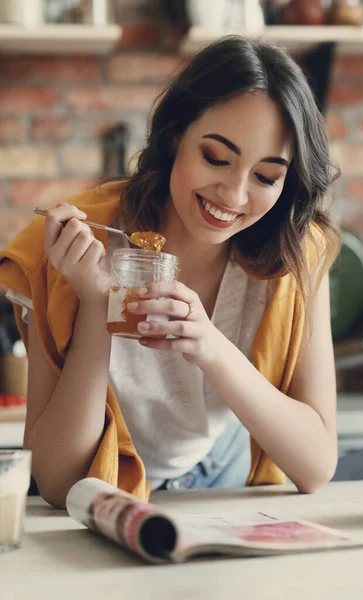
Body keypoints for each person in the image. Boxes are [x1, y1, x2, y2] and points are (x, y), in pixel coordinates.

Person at [0, 35, 340, 509]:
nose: (234, 196)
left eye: (266, 176)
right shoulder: (64, 251)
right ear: (176, 134)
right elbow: (58, 482)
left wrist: (210, 346)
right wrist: (98, 304)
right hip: (102, 496)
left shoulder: (296, 252)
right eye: (216, 158)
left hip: (221, 483)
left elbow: (317, 465)